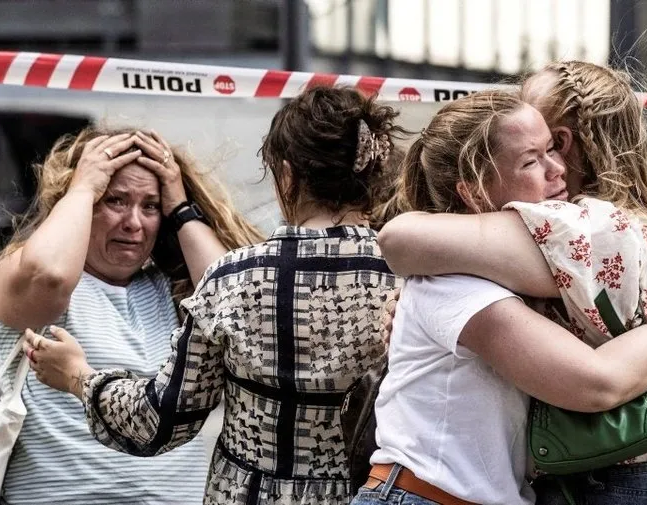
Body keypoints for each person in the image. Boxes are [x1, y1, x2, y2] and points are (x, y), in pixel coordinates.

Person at [24, 86, 405, 505]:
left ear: (287, 176)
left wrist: (79, 377)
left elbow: (159, 421)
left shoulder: (236, 278)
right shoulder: (409, 278)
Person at [347, 89, 647, 505]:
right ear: (472, 193)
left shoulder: (504, 267)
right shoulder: (455, 281)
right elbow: (597, 381)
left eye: (552, 150)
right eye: (531, 160)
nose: (557, 169)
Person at [0, 126, 263, 505]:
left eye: (151, 206)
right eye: (115, 200)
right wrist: (82, 186)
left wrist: (180, 206)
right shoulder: (31, 272)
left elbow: (239, 312)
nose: (134, 222)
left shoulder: (171, 288)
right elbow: (51, 275)